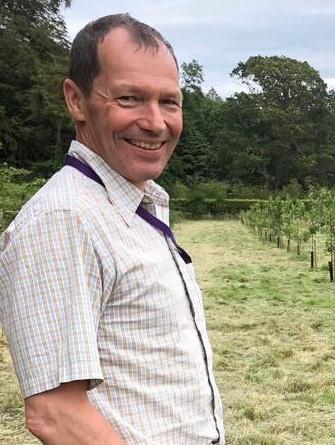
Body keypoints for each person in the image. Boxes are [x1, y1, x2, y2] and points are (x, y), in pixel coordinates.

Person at [0, 13, 224, 444]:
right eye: (129, 98)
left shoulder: (131, 206)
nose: (156, 122)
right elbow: (55, 414)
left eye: (169, 102)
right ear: (76, 100)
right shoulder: (64, 221)